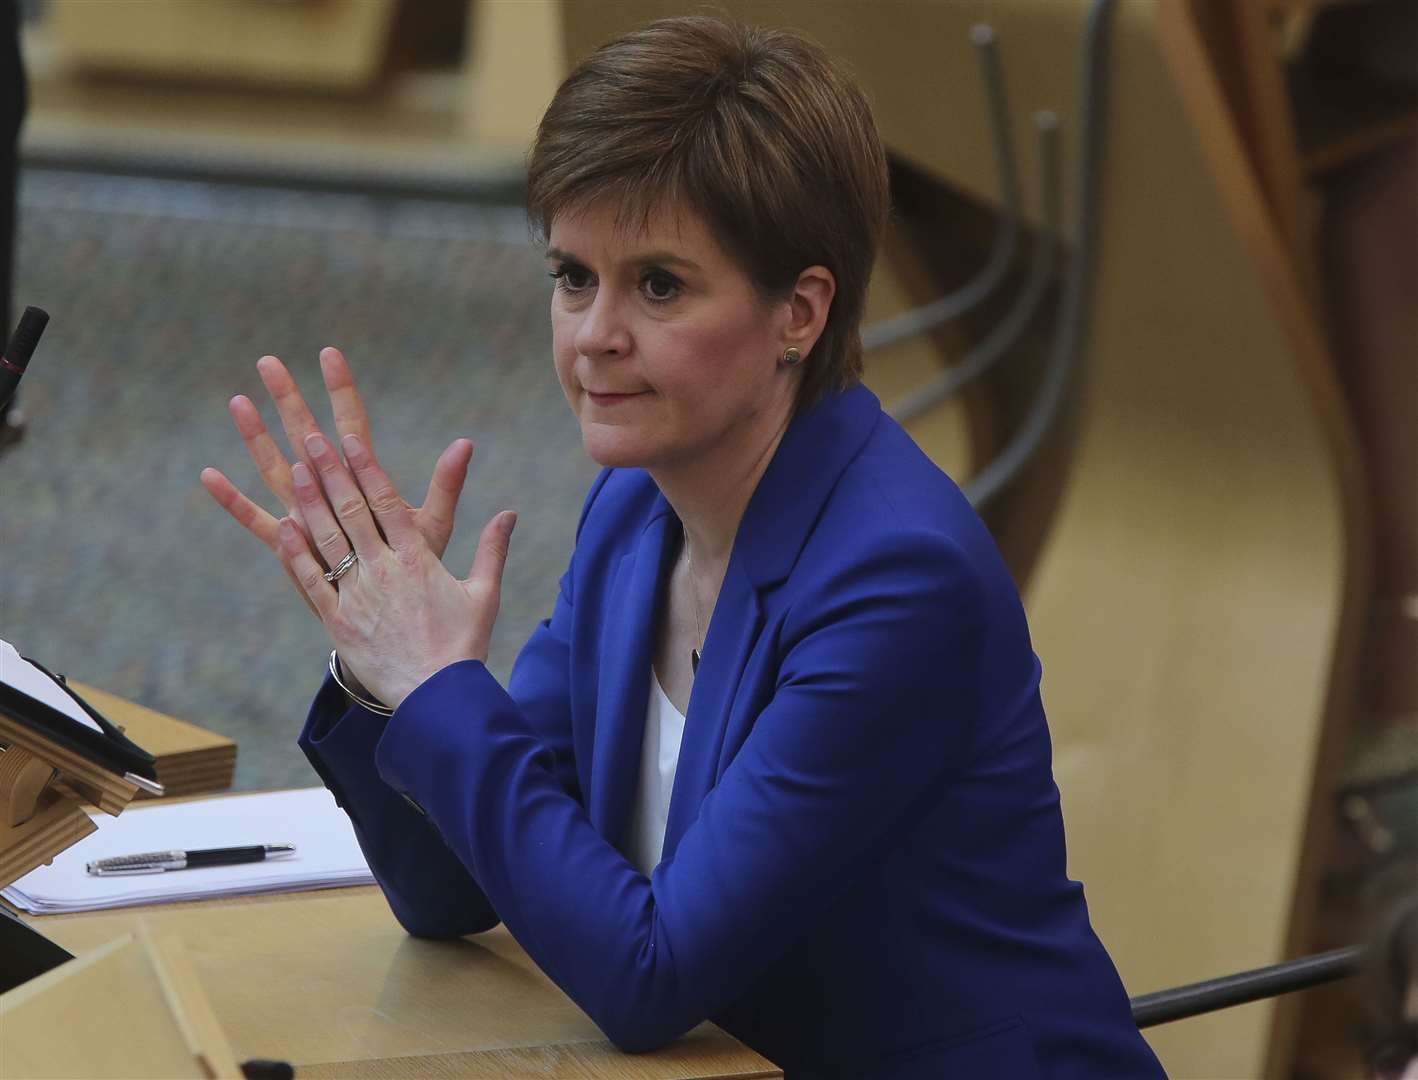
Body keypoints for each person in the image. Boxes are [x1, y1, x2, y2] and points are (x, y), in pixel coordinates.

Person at [202, 16, 1164, 1078]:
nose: (593, 334)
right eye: (573, 276)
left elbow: (646, 978)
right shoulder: (632, 513)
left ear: (798, 311)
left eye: (657, 285)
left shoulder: (896, 579)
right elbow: (458, 894)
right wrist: (386, 668)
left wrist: (442, 683)